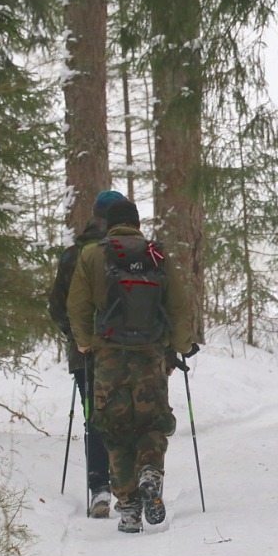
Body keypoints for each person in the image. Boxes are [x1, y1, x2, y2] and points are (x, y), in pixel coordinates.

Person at [67, 198, 194, 534]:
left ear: (109, 224)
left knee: (115, 428)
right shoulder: (155, 254)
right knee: (152, 421)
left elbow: (77, 304)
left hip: (108, 357)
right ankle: (150, 470)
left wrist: (83, 342)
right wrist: (182, 344)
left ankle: (127, 506)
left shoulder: (93, 254)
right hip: (150, 354)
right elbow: (178, 305)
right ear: (137, 224)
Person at [49, 189, 124, 518]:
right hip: (124, 353)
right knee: (122, 415)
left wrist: (75, 336)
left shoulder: (71, 255)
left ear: (94, 215)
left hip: (84, 356)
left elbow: (56, 307)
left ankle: (99, 488)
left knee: (94, 416)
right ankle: (126, 484)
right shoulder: (127, 252)